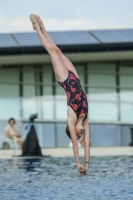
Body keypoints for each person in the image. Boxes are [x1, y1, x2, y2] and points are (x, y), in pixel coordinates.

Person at [30, 14, 90, 175]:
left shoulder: (72, 117)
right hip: (75, 78)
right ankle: (42, 27)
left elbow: (76, 145)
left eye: (77, 134)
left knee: (51, 51)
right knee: (58, 49)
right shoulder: (86, 119)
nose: (80, 133)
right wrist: (87, 164)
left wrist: (78, 164)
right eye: (79, 134)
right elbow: (87, 144)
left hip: (66, 81)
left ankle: (37, 29)